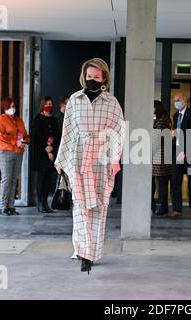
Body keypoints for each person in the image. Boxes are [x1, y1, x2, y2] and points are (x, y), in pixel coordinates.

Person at [54, 58, 125, 274]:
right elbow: (67, 131)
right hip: (78, 156)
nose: (92, 80)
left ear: (104, 78)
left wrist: (115, 159)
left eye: (96, 76)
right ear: (84, 76)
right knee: (81, 206)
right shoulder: (75, 100)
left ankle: (92, 251)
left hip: (101, 157)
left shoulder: (112, 102)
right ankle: (84, 253)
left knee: (99, 207)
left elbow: (119, 132)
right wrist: (61, 160)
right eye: (89, 76)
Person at [0, 97, 30, 216]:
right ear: (5, 108)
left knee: (14, 179)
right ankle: (3, 206)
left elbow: (25, 135)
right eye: (10, 106)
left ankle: (11, 205)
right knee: (7, 178)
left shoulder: (19, 120)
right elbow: (1, 136)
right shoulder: (0, 120)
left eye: (14, 106)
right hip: (5, 152)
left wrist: (25, 141)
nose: (12, 109)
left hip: (18, 152)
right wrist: (16, 141)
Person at [169, 92, 191, 220]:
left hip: (190, 153)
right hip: (177, 152)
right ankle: (177, 209)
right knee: (176, 181)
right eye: (174, 100)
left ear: (185, 101)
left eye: (178, 100)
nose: (176, 102)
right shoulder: (175, 115)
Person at [32, 96, 60, 214]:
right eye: (47, 104)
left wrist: (52, 150)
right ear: (42, 105)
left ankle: (45, 202)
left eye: (51, 104)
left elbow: (57, 135)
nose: (49, 106)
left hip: (51, 154)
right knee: (41, 179)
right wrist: (46, 148)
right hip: (40, 153)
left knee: (48, 180)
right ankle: (39, 202)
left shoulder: (53, 119)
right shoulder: (38, 118)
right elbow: (37, 135)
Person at [151, 100, 172, 216]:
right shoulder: (163, 118)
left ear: (156, 108)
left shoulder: (162, 120)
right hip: (162, 154)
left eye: (153, 107)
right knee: (161, 182)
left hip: (159, 155)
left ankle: (162, 207)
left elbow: (157, 138)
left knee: (161, 182)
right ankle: (159, 206)